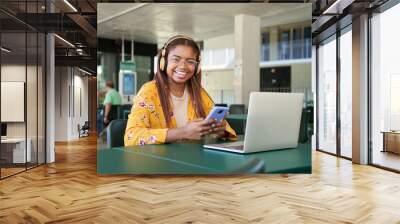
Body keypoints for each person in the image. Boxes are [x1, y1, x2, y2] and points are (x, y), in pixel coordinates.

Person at [124, 35, 236, 146]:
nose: (183, 66)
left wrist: (219, 131)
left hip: (193, 159)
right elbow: (131, 137)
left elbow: (225, 130)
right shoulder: (148, 92)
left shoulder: (199, 93)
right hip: (159, 161)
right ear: (163, 62)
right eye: (176, 59)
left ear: (196, 67)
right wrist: (183, 132)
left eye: (190, 61)